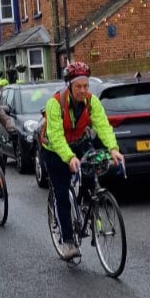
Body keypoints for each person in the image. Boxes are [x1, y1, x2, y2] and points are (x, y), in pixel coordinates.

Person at [39, 61, 124, 260]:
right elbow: (57, 136)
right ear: (69, 85)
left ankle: (85, 204)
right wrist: (69, 158)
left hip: (78, 142)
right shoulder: (55, 103)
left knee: (91, 169)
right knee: (61, 192)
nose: (83, 90)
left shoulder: (91, 101)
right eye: (79, 86)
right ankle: (68, 240)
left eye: (86, 86)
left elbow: (103, 125)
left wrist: (113, 148)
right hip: (53, 149)